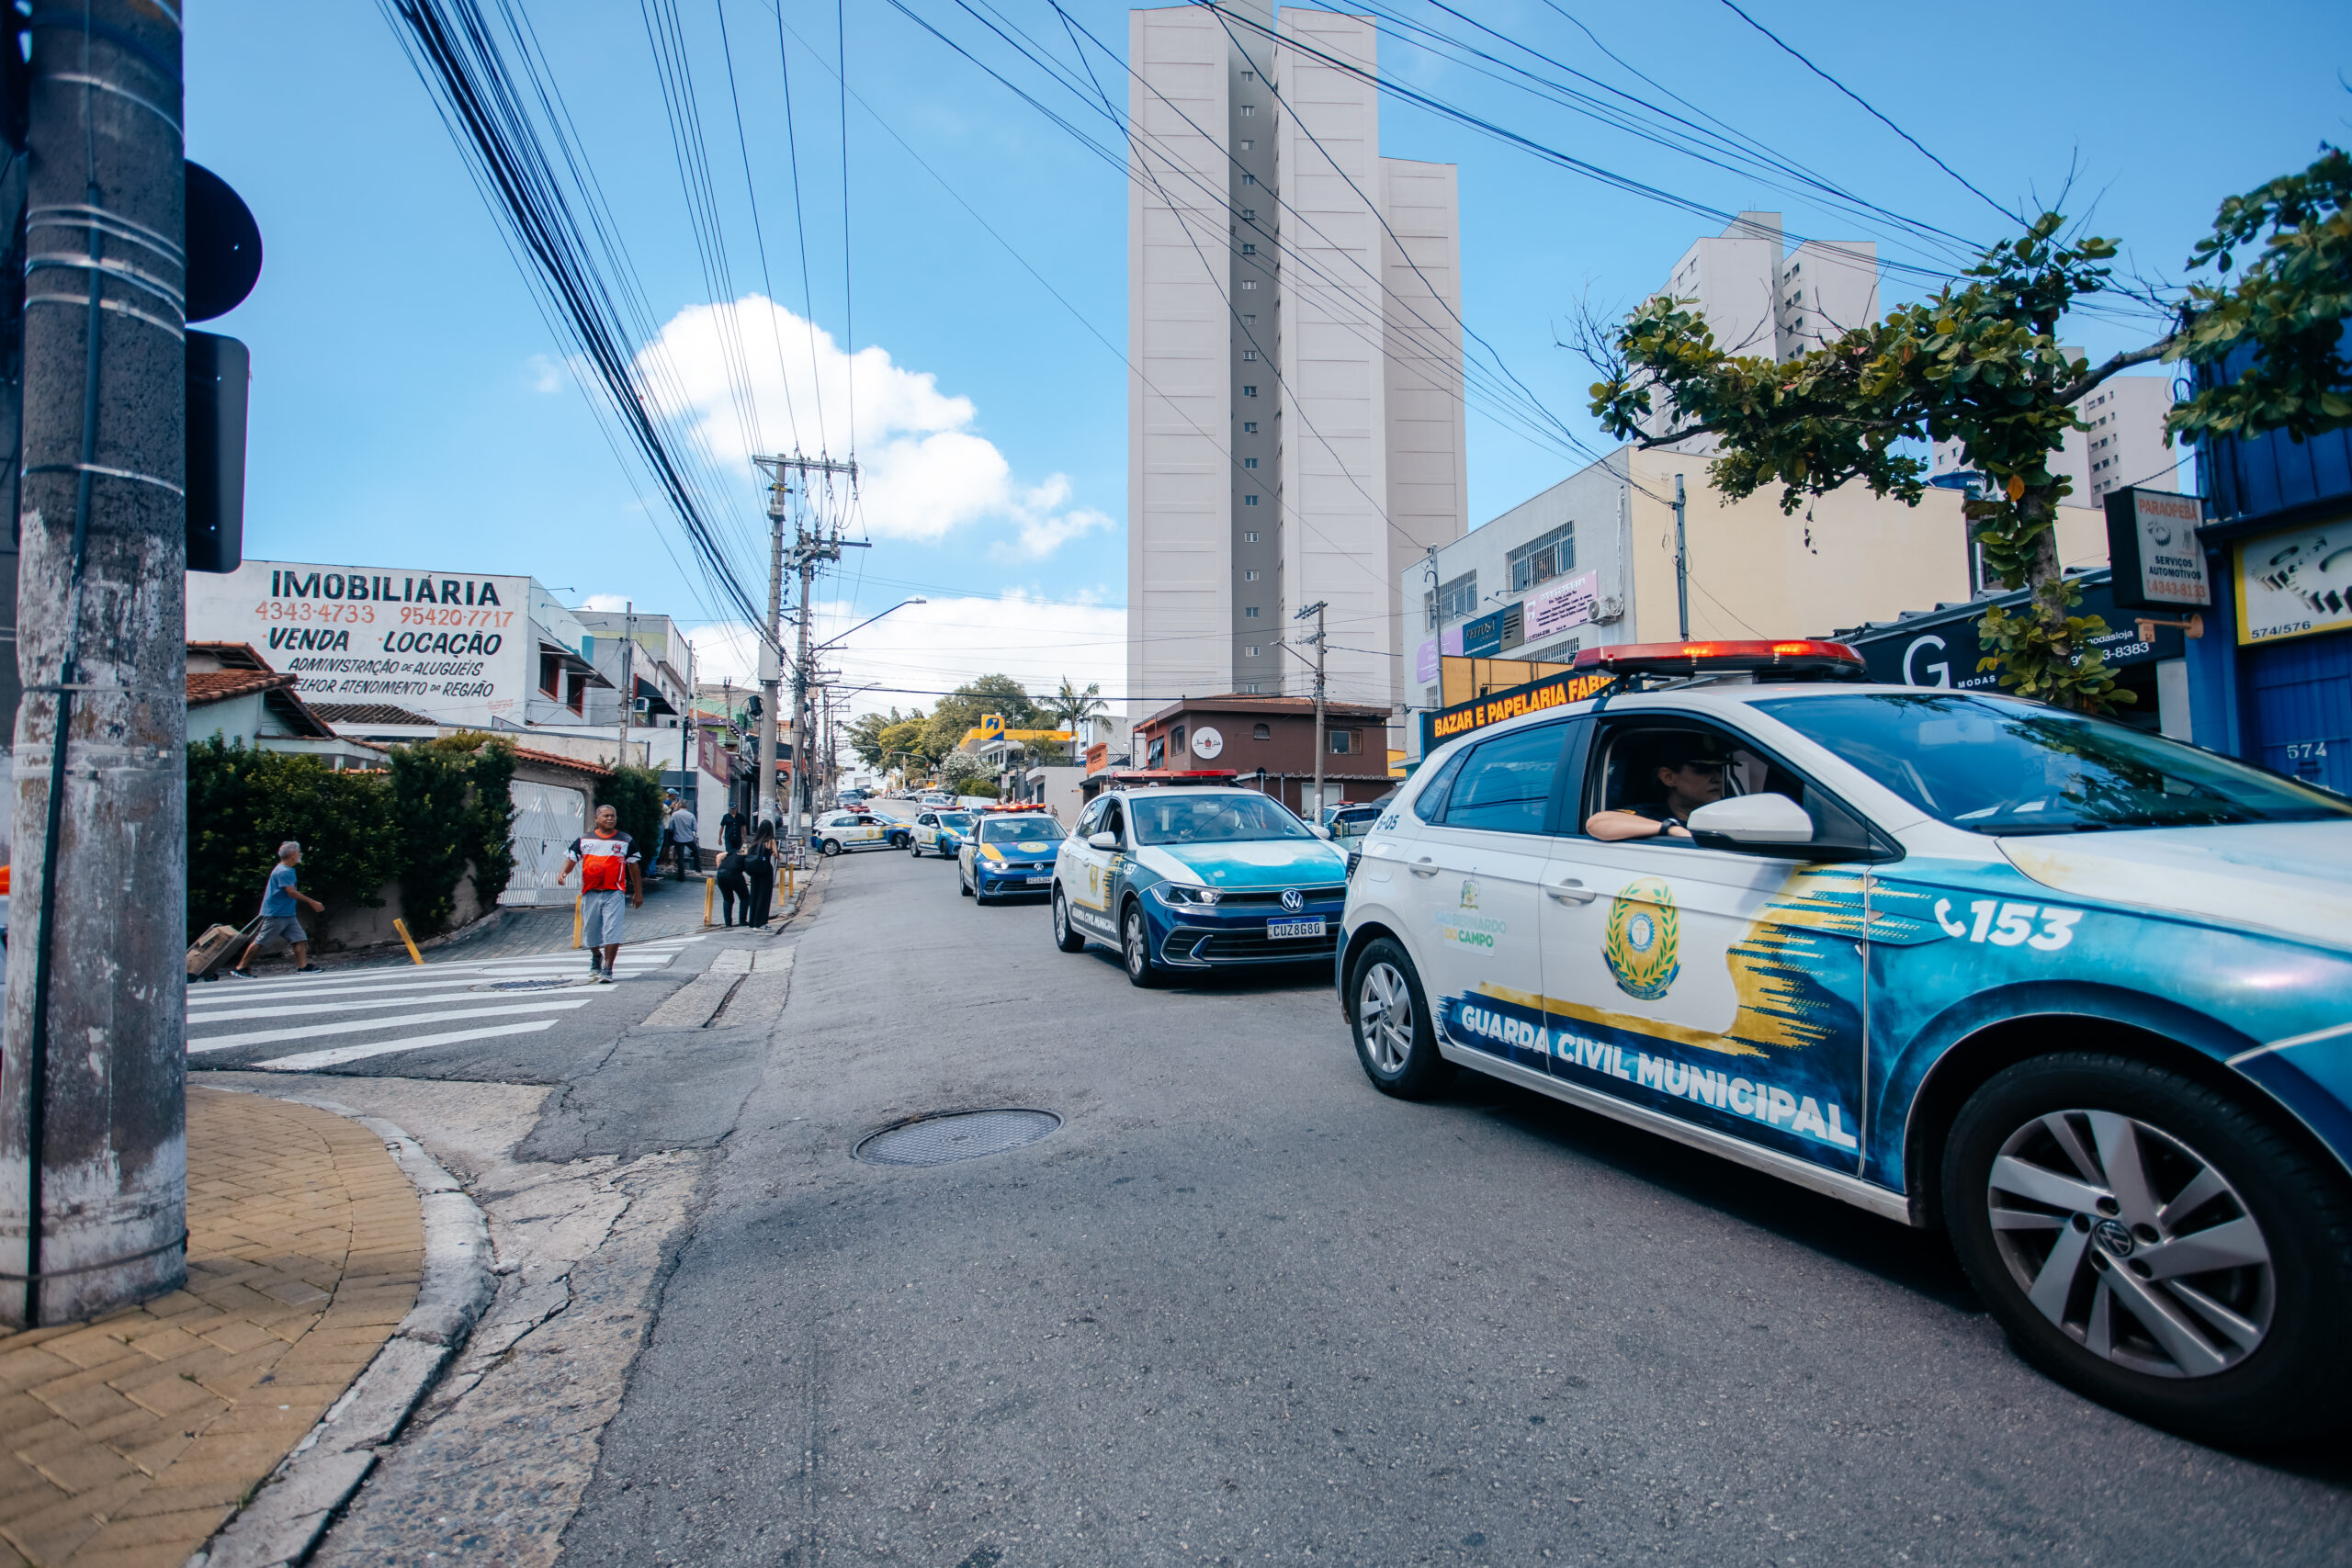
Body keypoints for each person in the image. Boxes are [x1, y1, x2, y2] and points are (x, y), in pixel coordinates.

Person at [558, 804, 644, 982]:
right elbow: (571, 859)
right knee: (590, 931)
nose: (610, 819)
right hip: (591, 892)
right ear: (596, 819)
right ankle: (596, 955)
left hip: (615, 893)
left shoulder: (625, 840)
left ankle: (607, 968)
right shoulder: (584, 839)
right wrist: (563, 873)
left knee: (612, 930)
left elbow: (634, 867)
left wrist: (638, 892)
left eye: (612, 816)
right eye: (606, 816)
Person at [1584, 739, 1732, 842]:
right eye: (1703, 769)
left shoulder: (1729, 814)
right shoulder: (1651, 816)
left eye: (1719, 769)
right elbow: (1596, 823)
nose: (1718, 778)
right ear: (1668, 777)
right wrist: (1669, 829)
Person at [229, 840, 326, 977]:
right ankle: (241, 968)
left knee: (299, 938)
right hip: (277, 913)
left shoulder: (286, 870)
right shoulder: (284, 871)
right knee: (261, 941)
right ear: (292, 854)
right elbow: (291, 892)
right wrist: (312, 902)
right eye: (298, 852)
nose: (300, 854)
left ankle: (303, 967)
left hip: (286, 914)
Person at [743, 823, 775, 929]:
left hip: (755, 872)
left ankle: (753, 922)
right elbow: (777, 855)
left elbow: (743, 853)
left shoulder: (753, 842)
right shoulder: (770, 841)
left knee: (754, 896)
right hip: (765, 872)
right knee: (764, 897)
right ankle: (761, 922)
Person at [714, 844, 749, 927]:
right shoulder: (747, 852)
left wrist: (720, 870)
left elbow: (718, 857)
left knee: (727, 899)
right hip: (734, 874)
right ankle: (742, 921)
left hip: (721, 875)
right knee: (745, 897)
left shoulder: (734, 851)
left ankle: (728, 924)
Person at [668, 800, 701, 880]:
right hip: (689, 838)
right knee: (696, 851)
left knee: (680, 857)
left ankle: (681, 876)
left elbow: (671, 828)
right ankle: (697, 869)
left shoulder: (674, 815)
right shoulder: (691, 815)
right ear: (687, 806)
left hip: (678, 838)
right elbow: (695, 828)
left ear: (679, 806)